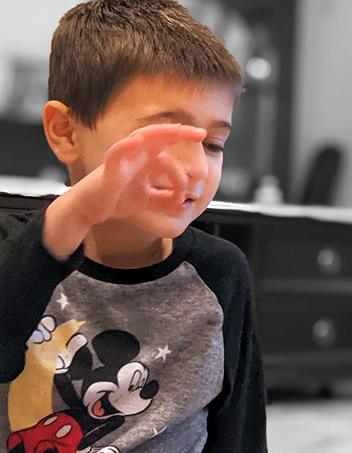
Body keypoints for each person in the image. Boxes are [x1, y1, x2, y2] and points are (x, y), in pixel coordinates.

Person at [0, 1, 267, 452]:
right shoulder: (12, 246)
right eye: (165, 137)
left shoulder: (221, 272)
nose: (196, 168)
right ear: (66, 133)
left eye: (214, 144)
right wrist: (75, 215)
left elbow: (238, 429)